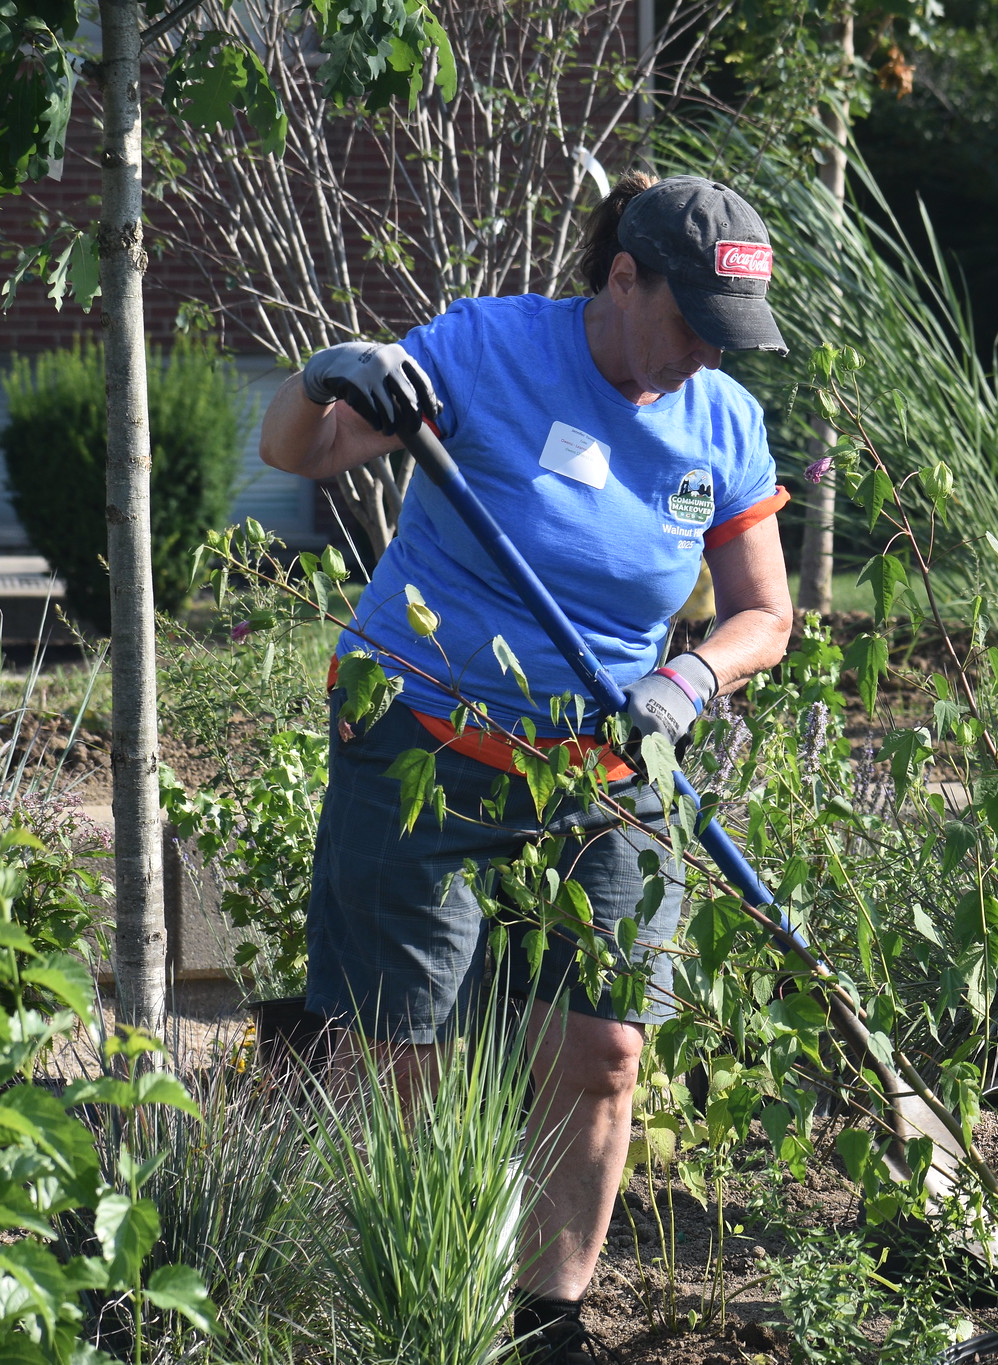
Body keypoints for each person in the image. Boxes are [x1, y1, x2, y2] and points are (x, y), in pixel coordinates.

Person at [258, 172, 795, 1364]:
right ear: (621, 278)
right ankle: (415, 1304)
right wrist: (324, 376)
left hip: (604, 759)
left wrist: (687, 681)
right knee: (401, 1049)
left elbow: (765, 614)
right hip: (422, 736)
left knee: (605, 1048)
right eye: (688, 321)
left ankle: (546, 1323)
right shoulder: (484, 348)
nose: (704, 354)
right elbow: (300, 453)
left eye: (727, 335)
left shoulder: (721, 421)